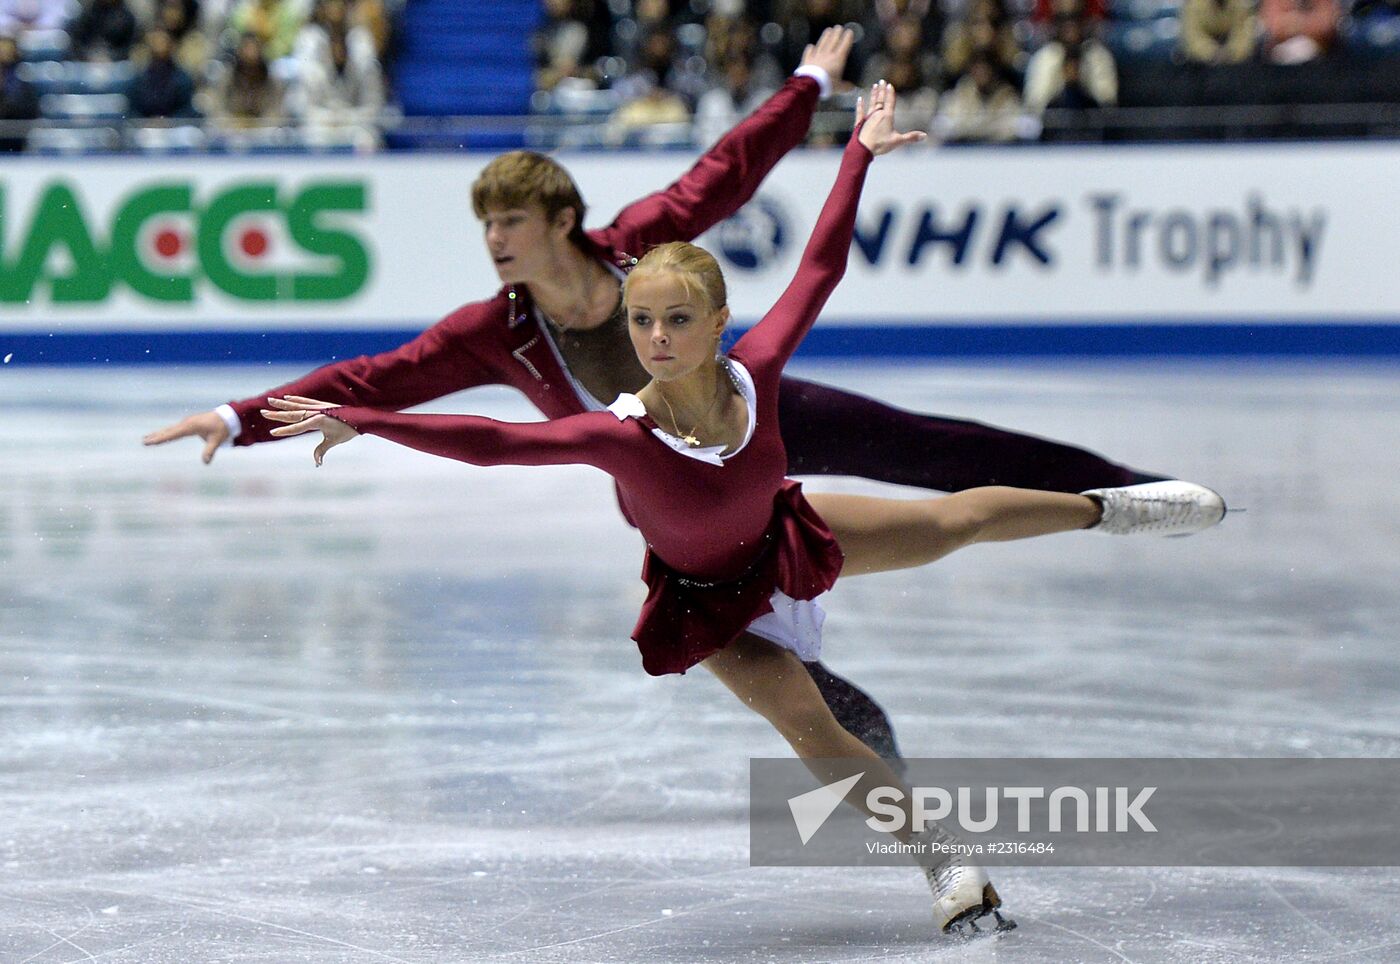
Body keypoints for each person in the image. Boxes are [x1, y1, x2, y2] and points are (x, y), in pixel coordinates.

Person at [143, 27, 1196, 807]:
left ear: (561, 220)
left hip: (746, 414)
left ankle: (1114, 486)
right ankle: (832, 705)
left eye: (510, 222)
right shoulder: (491, 330)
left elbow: (724, 172)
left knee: (931, 448)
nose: (495, 242)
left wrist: (808, 88)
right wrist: (238, 417)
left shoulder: (634, 242)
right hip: (667, 484)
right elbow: (381, 378)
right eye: (486, 227)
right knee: (731, 597)